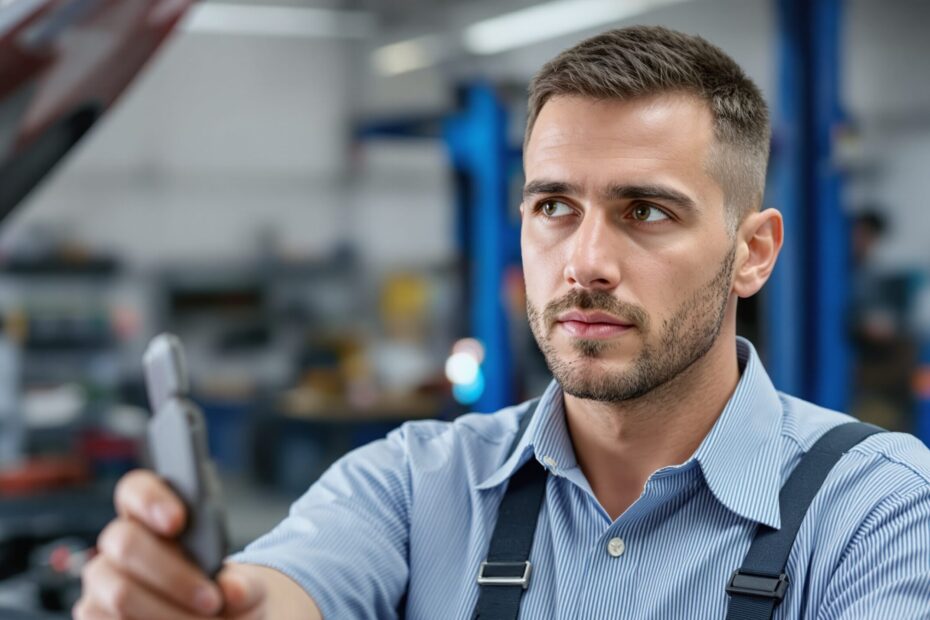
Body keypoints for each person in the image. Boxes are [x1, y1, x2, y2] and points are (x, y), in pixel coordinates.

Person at [75, 26, 930, 619]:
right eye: (555, 205)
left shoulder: (878, 511)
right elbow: (286, 589)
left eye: (647, 212)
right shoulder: (414, 486)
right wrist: (202, 602)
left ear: (753, 252)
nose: (586, 260)